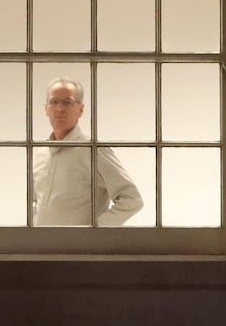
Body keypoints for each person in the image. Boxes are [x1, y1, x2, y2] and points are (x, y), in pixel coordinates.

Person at [32, 77, 143, 226]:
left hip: (79, 248)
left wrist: (94, 233)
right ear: (46, 108)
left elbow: (132, 199)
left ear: (81, 109)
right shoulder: (40, 153)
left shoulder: (93, 150)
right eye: (54, 102)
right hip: (40, 246)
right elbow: (36, 202)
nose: (59, 108)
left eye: (67, 102)